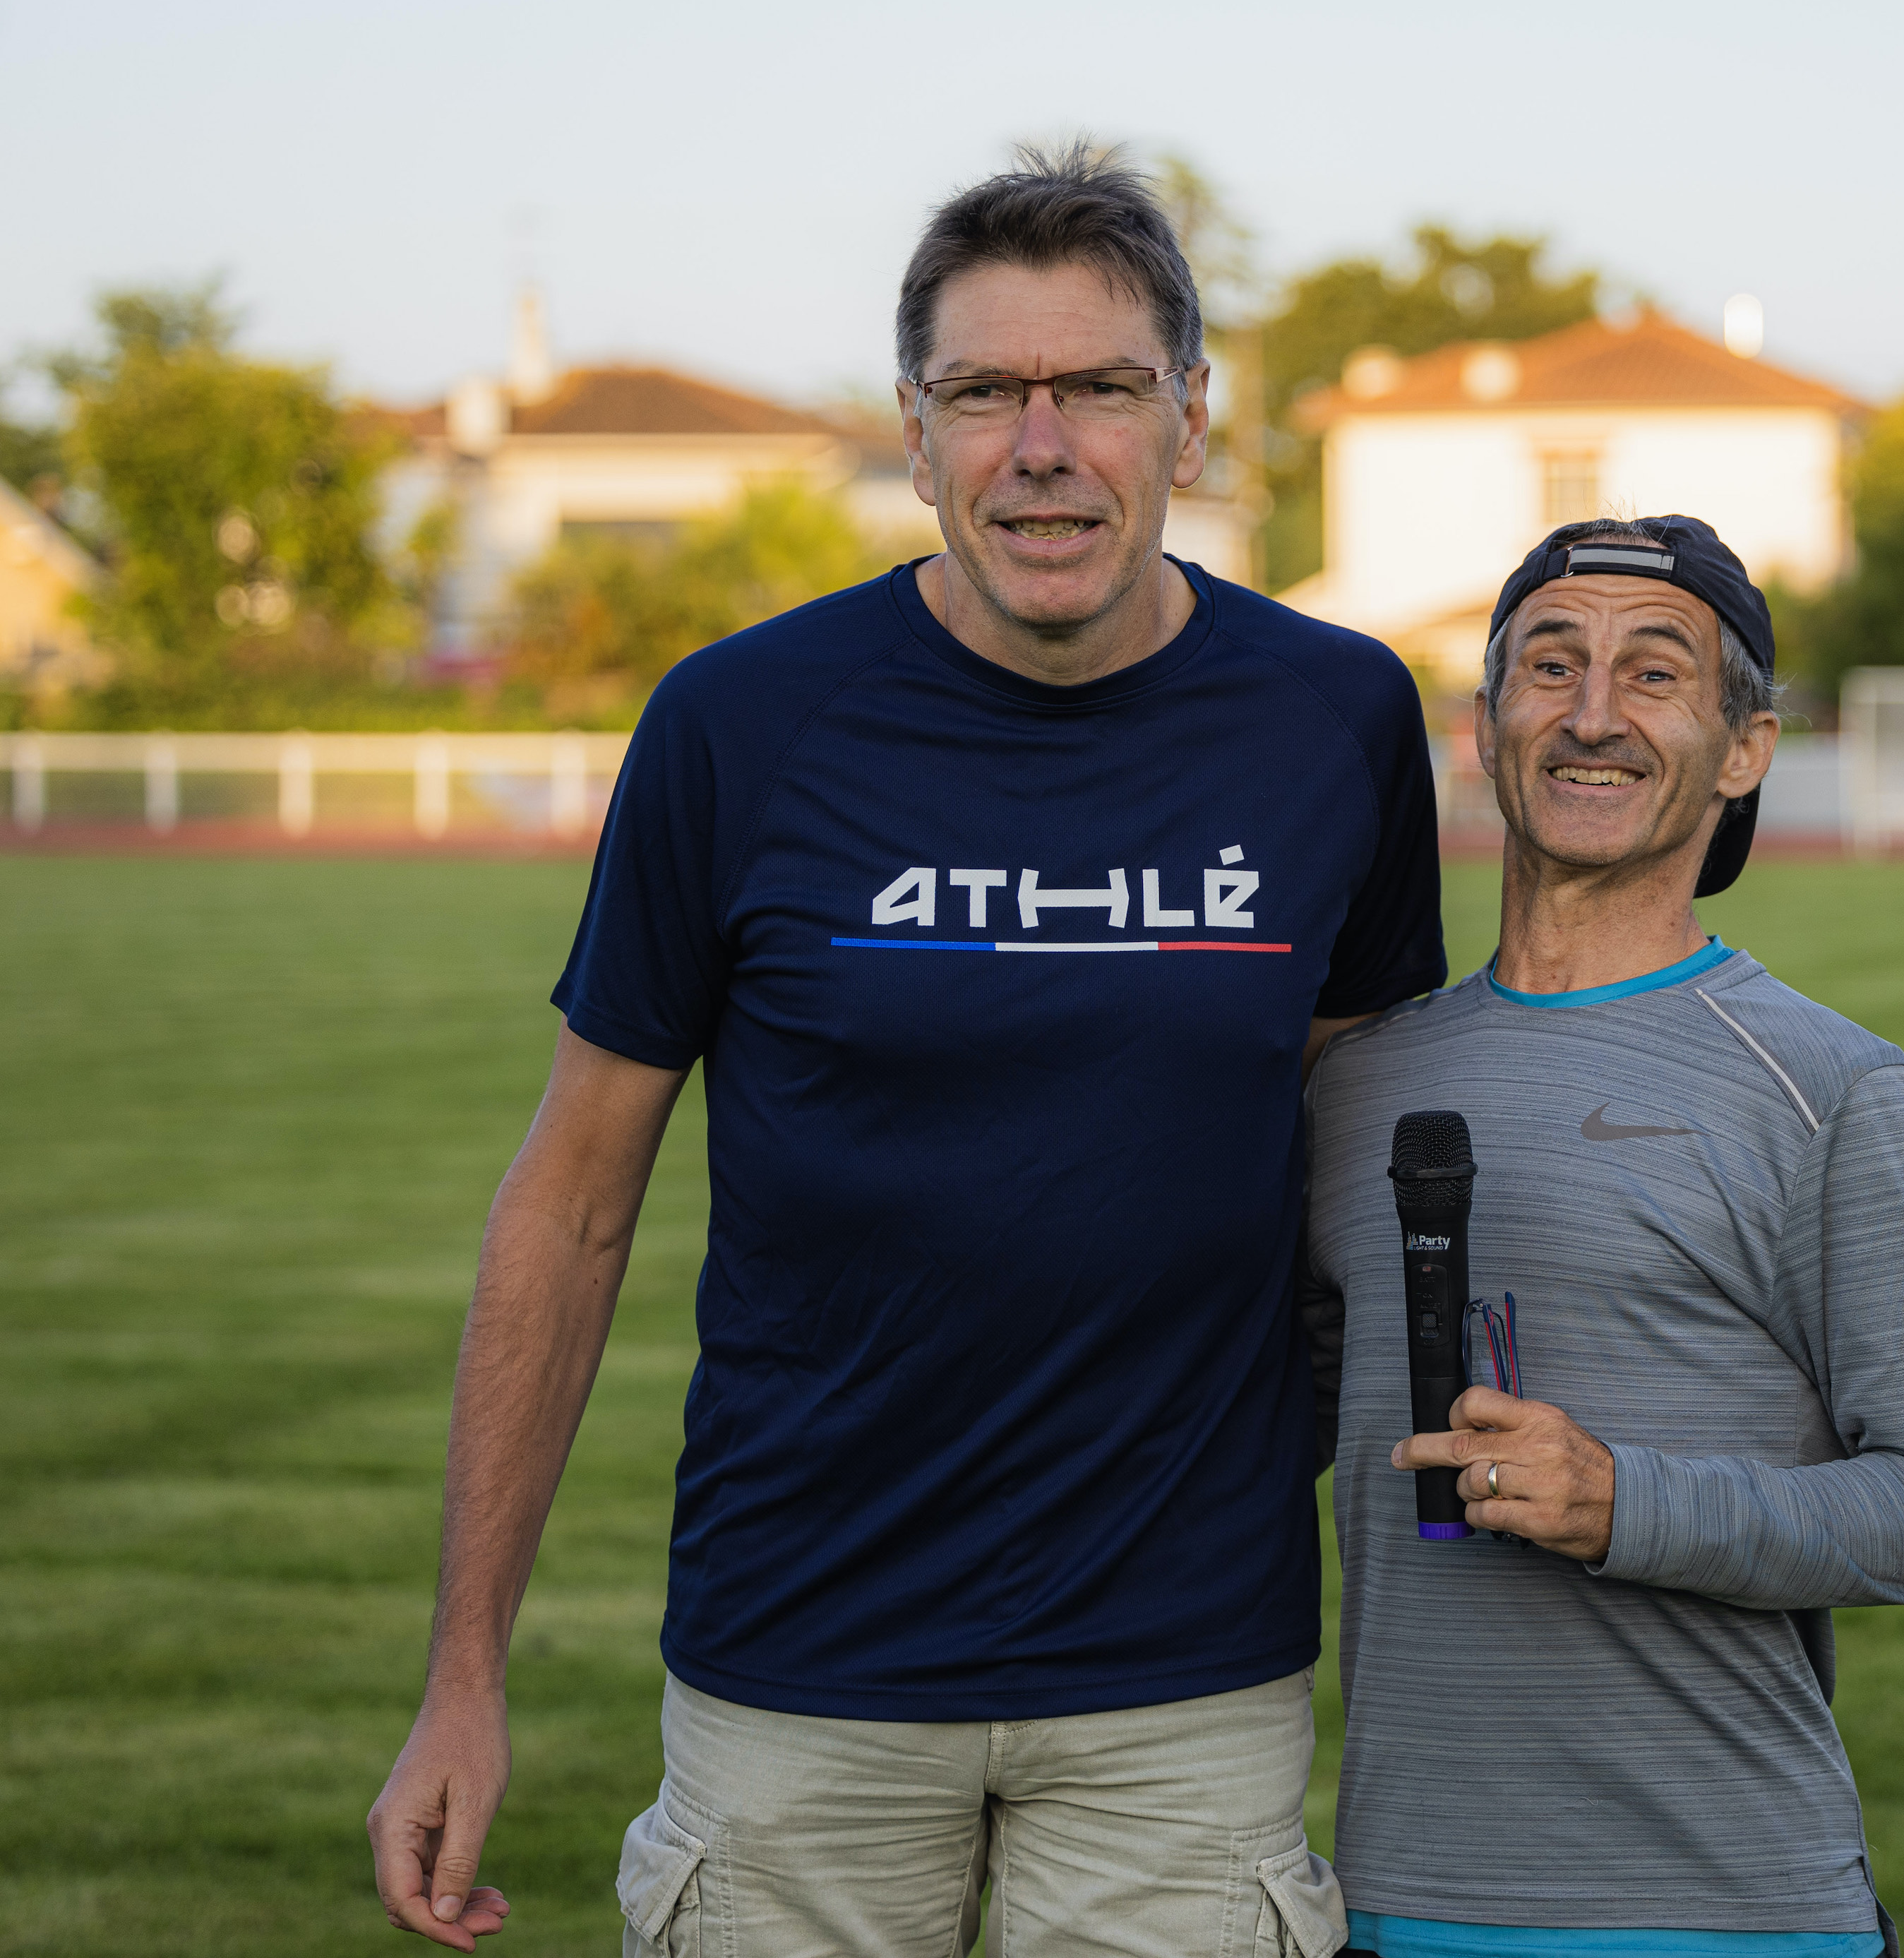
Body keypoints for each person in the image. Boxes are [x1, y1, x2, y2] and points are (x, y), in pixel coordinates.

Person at [368, 145, 1442, 1958]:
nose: (1042, 444)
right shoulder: (740, 723)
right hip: (800, 1669)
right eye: (982, 392)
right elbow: (566, 1212)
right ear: (912, 423)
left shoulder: (1335, 718)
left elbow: (1369, 1164)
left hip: (1181, 1684)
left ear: (1190, 414)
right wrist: (462, 1672)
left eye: (1098, 387)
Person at [1298, 516, 1904, 1957]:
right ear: (1484, 727)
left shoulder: (1824, 1086)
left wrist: (1623, 1502)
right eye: (1548, 664)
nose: (1590, 714)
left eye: (1653, 674)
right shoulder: (1353, 1081)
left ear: (1743, 745)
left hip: (1726, 1909)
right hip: (1396, 1899)